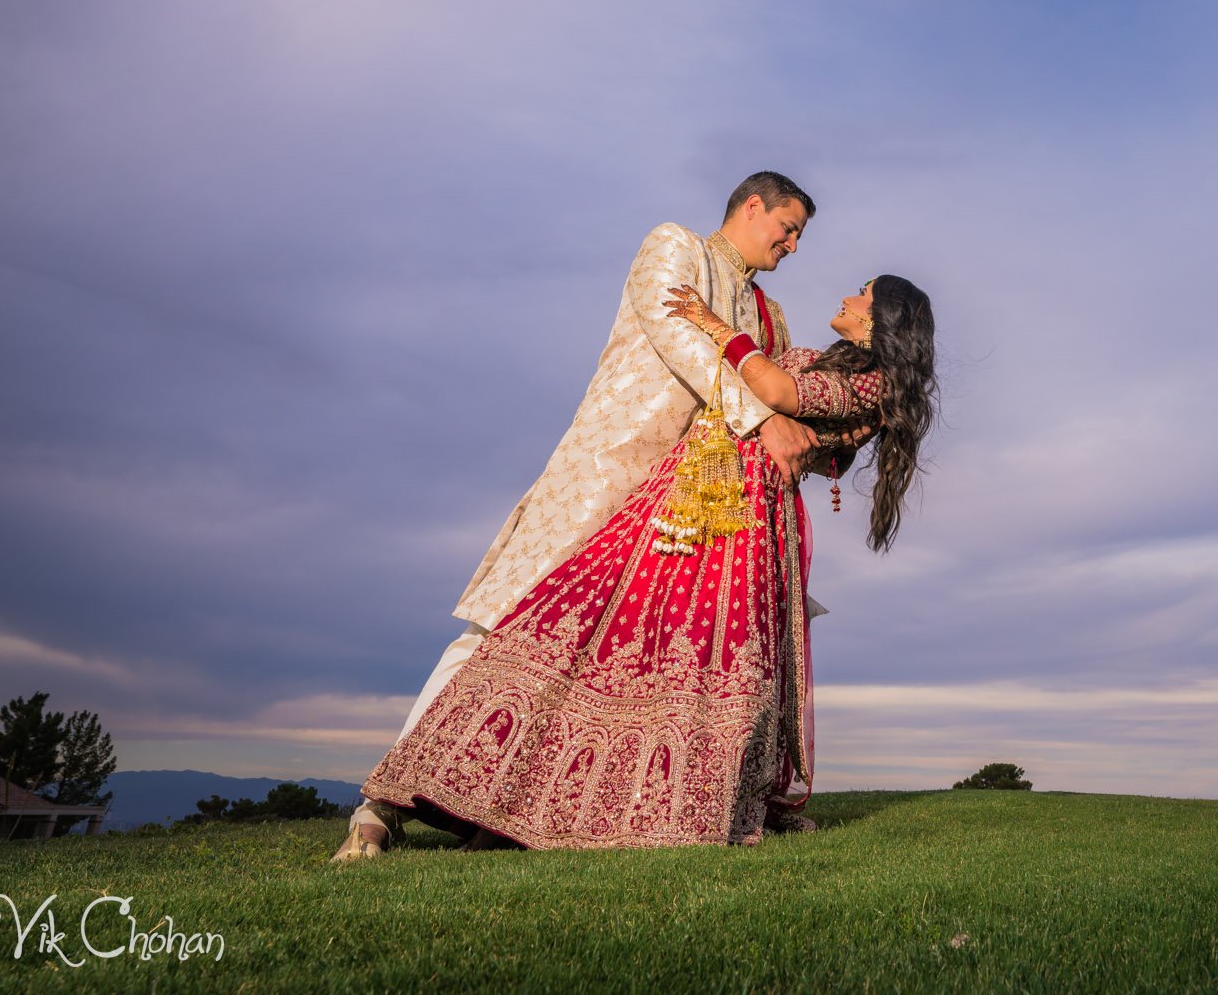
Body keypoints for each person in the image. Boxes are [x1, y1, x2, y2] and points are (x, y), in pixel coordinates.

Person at [332, 171, 824, 861]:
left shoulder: (771, 316)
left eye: (800, 234)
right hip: (607, 474)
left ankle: (514, 807)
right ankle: (380, 804)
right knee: (502, 625)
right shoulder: (674, 246)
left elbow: (778, 391)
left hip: (683, 515)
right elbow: (679, 337)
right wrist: (761, 417)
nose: (794, 244)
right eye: (789, 226)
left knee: (606, 660)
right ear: (751, 206)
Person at [356, 271, 937, 849]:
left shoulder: (875, 386)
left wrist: (712, 324)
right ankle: (504, 797)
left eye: (862, 292)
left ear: (880, 317)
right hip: (689, 480)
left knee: (697, 643)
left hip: (742, 508)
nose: (847, 294)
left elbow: (778, 391)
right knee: (594, 611)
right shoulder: (830, 361)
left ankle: (646, 798)